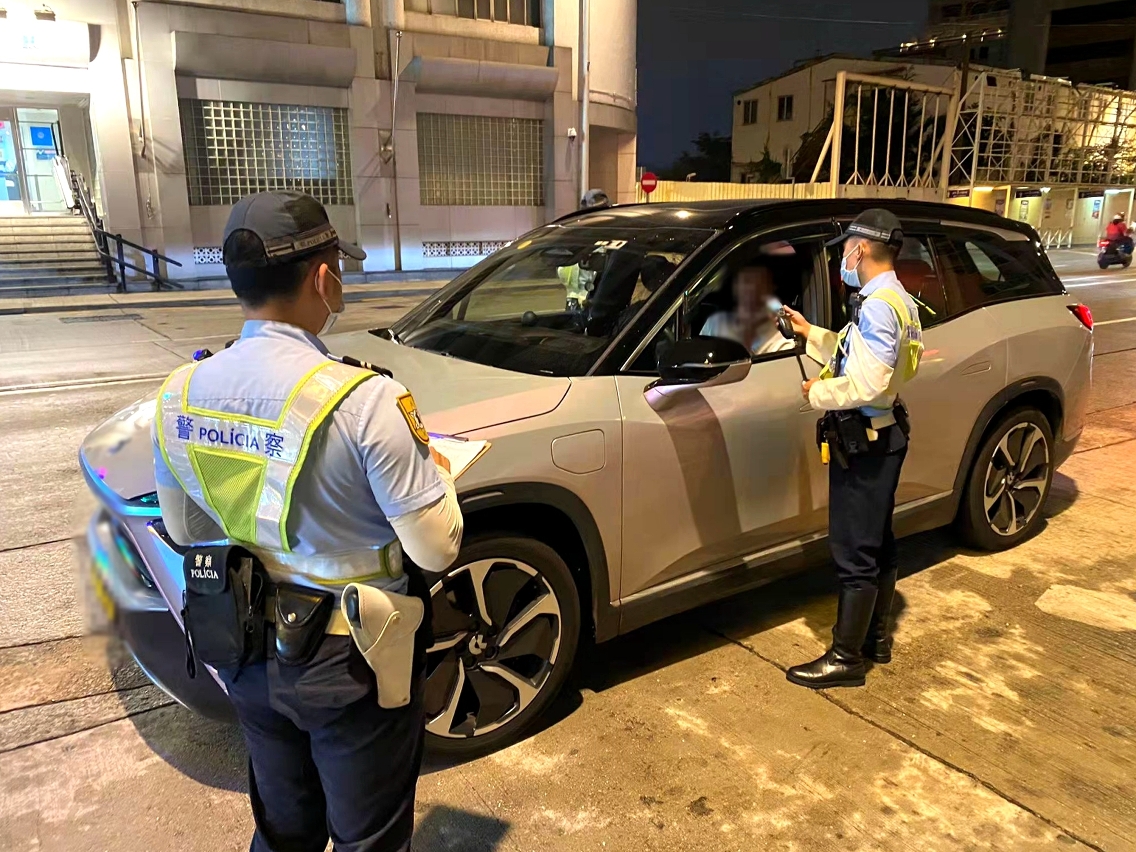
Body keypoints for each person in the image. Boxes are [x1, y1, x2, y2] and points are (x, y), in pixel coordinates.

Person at [152, 191, 463, 851]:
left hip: (241, 644)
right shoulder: (368, 400)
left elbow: (186, 529)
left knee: (283, 828)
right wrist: (434, 471)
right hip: (352, 656)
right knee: (368, 837)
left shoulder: (179, 392)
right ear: (324, 278)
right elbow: (436, 550)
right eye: (338, 268)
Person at [782, 208, 923, 689]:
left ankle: (846, 659)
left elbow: (869, 381)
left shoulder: (878, 305)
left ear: (861, 249)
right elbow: (857, 353)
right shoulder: (897, 299)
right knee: (877, 540)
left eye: (845, 248)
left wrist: (816, 393)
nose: (842, 257)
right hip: (885, 435)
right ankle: (875, 639)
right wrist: (809, 333)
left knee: (853, 551)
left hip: (867, 440)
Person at [701, 263, 796, 355]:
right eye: (745, 282)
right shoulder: (715, 323)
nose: (749, 291)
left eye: (758, 286)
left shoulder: (781, 345)